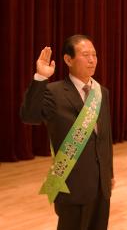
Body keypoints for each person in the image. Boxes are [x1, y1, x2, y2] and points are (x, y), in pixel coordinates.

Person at [20, 34, 114, 230]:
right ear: (68, 59)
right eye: (85, 54)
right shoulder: (53, 91)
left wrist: (109, 173)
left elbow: (104, 138)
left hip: (101, 185)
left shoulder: (101, 92)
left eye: (94, 55)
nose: (91, 60)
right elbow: (29, 116)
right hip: (71, 185)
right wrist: (41, 77)